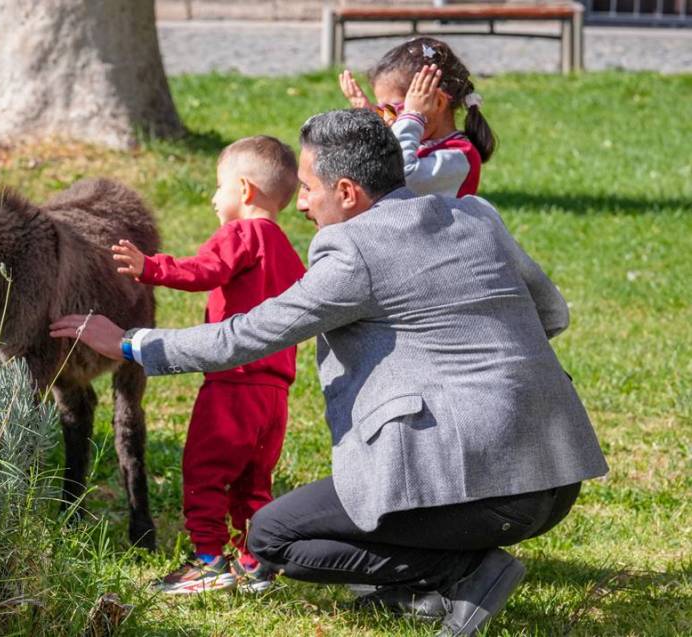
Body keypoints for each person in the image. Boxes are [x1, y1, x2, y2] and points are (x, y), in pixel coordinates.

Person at [51, 109, 608, 636]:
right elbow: (552, 314)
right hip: (556, 476)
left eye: (309, 188)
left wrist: (128, 342)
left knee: (272, 535)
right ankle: (433, 577)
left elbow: (246, 334)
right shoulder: (476, 215)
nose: (300, 205)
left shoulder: (351, 248)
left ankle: (461, 573)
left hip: (477, 486)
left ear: (347, 192)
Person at [111, 135, 306, 594]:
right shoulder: (288, 251)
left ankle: (207, 560)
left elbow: (205, 271)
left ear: (244, 189)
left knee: (204, 473)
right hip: (274, 396)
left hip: (232, 386)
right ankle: (256, 563)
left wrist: (150, 268)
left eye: (218, 188)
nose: (213, 198)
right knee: (254, 483)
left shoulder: (242, 234)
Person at [339, 37, 496, 197]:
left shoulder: (460, 156)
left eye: (394, 109)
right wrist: (371, 121)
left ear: (438, 102)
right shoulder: (413, 140)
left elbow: (397, 179)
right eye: (382, 110)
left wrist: (412, 116)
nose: (389, 119)